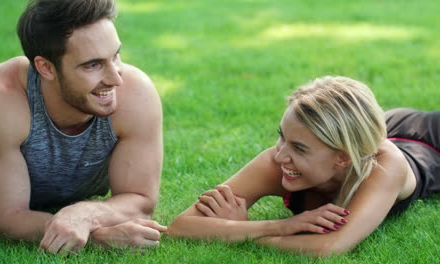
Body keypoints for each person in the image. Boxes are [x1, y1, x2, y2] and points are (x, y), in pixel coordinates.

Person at [0, 0, 166, 254]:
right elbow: (7, 218)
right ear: (46, 68)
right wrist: (99, 237)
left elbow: (140, 200)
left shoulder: (135, 93)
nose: (116, 78)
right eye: (93, 65)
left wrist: (87, 213)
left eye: (115, 56)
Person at [167, 76, 440, 256]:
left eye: (298, 148)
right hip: (373, 128)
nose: (280, 155)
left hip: (429, 140)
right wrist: (276, 226)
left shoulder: (384, 166)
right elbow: (181, 226)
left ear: (343, 158)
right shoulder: (275, 161)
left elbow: (329, 247)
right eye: (282, 136)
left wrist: (237, 231)